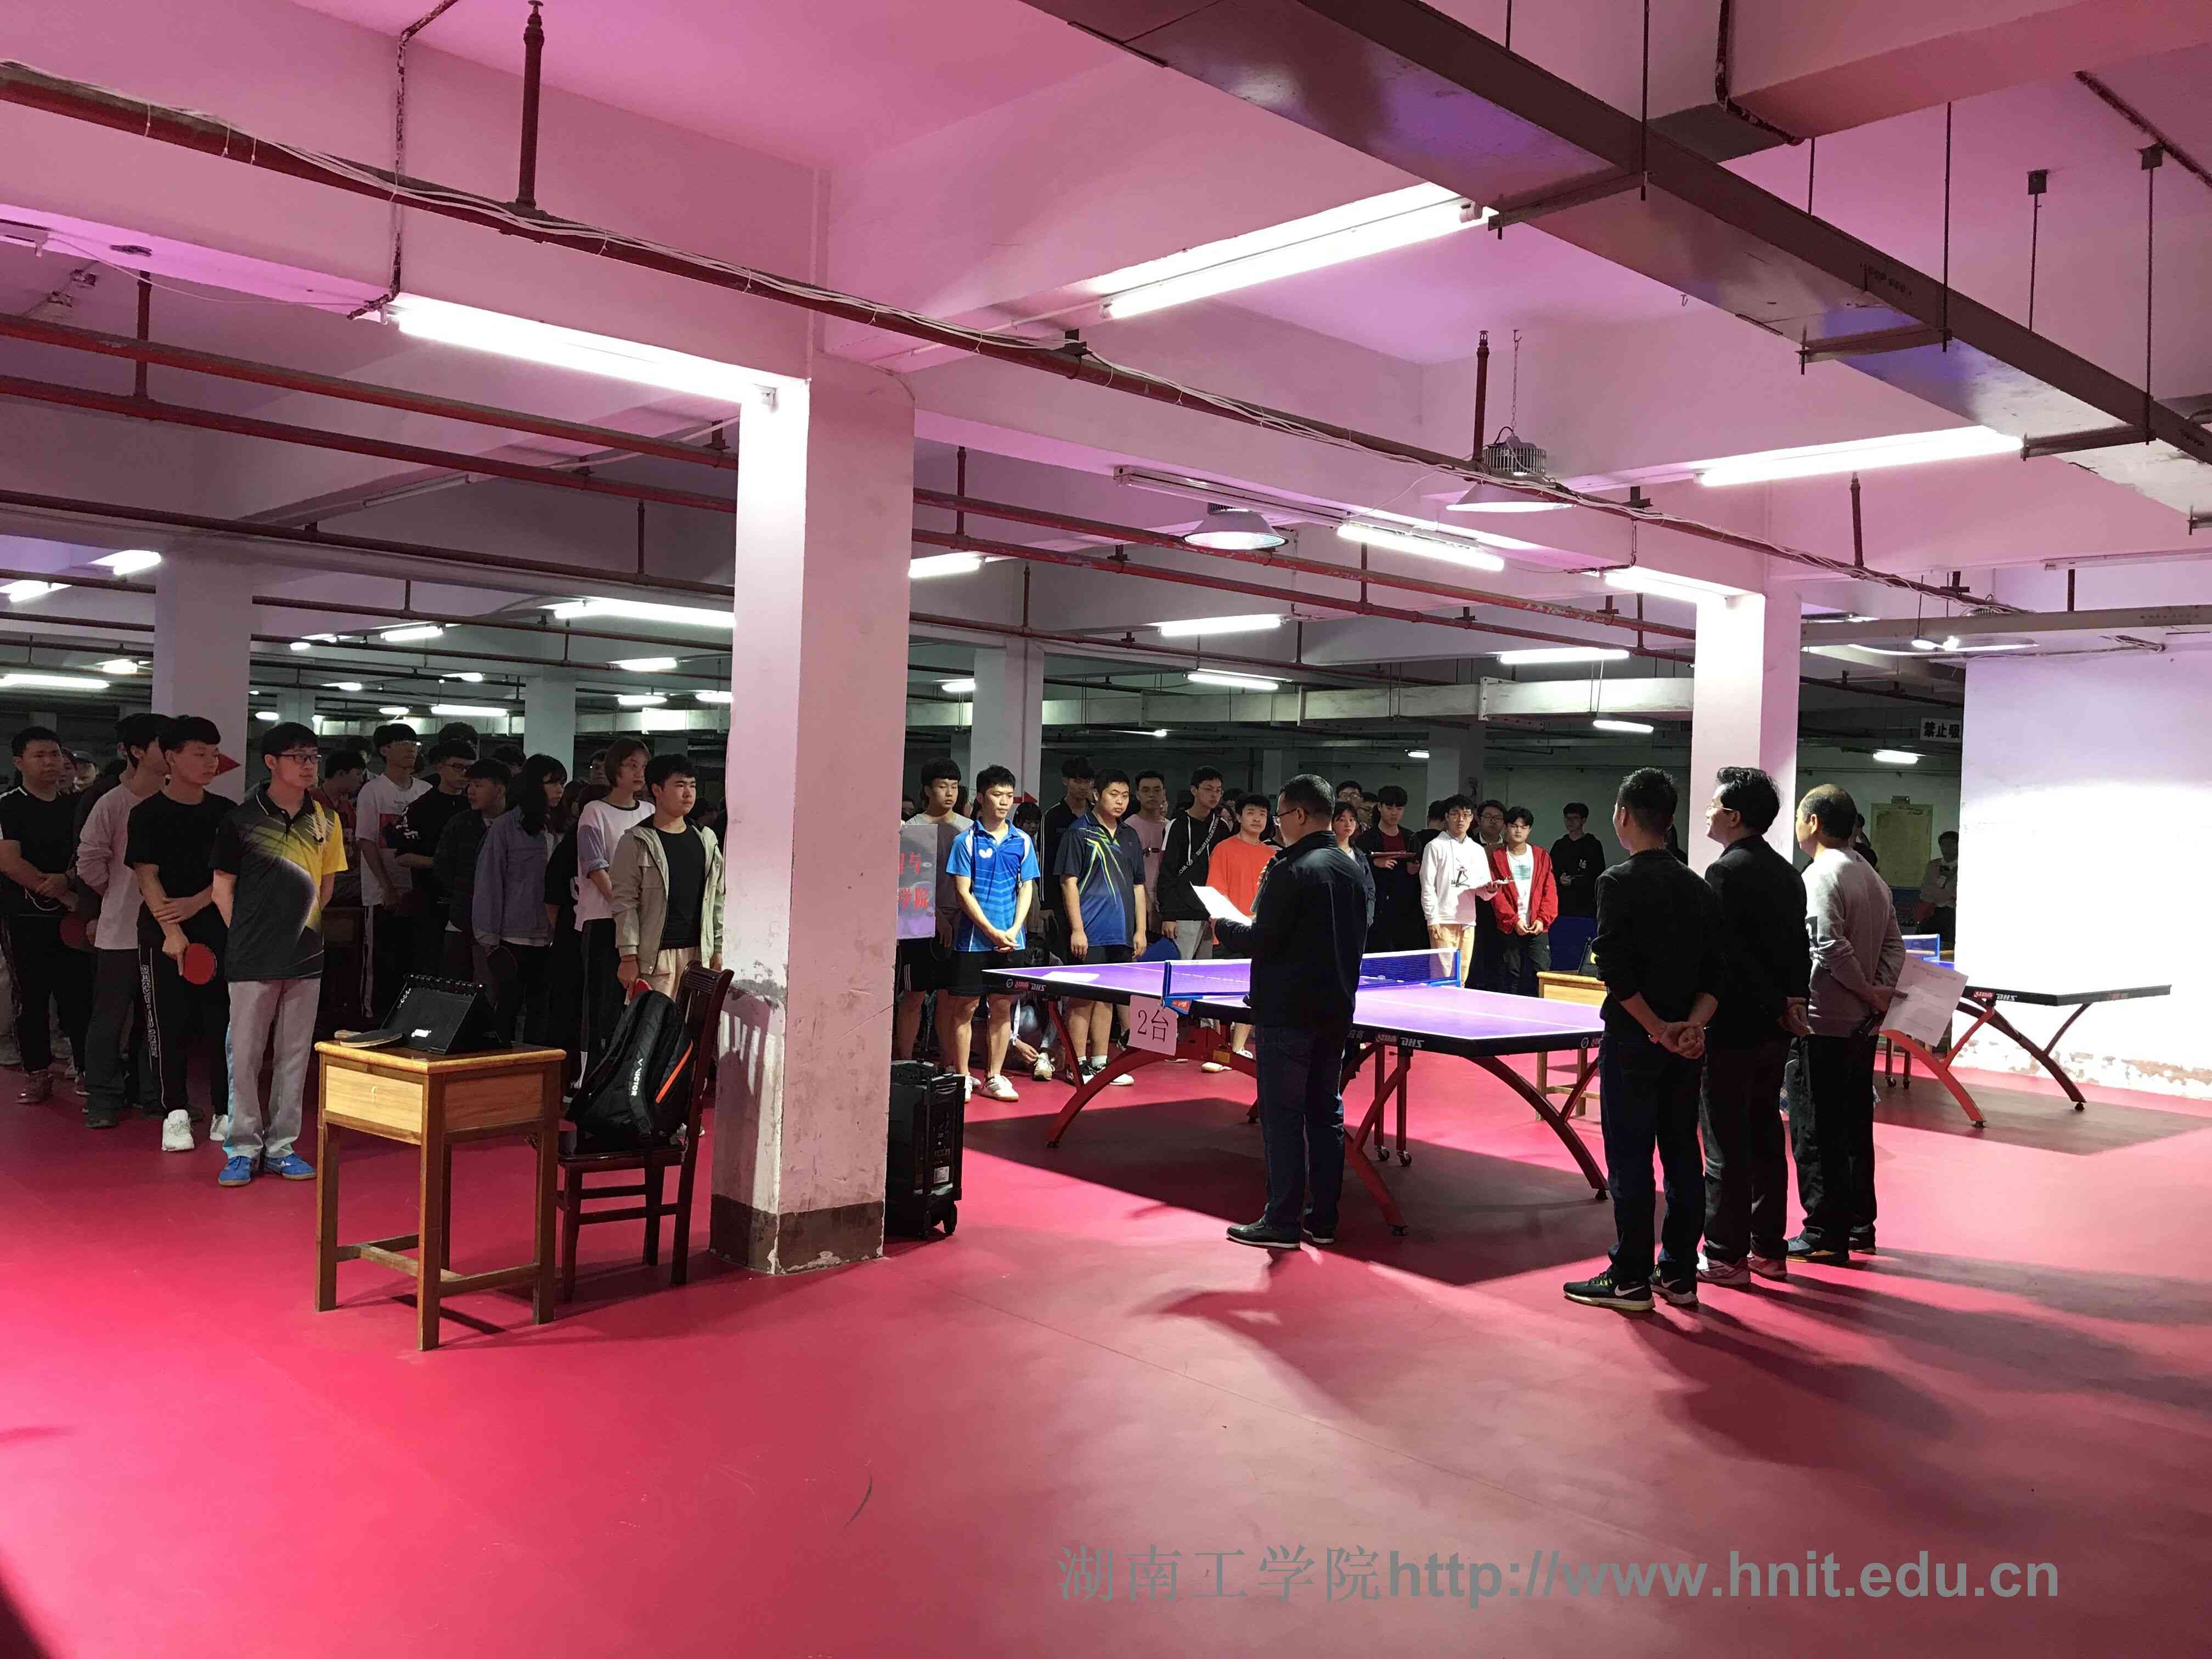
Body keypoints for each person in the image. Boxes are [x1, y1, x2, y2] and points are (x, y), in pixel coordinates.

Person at [1564, 768, 1724, 1315]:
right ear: (1671, 820)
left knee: (1631, 1157)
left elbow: (1615, 971)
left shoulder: (1617, 881)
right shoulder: (1698, 885)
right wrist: (1691, 1028)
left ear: (1624, 816)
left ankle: (1630, 1277)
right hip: (1686, 1046)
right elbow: (1716, 974)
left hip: (1637, 1042)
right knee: (1682, 1153)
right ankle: (1678, 1273)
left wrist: (1657, 1030)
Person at [1221, 774, 1373, 1250]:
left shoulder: (1291, 870)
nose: (1278, 824)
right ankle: (1323, 1219)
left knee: (1283, 1117)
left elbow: (1263, 940)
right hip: (1336, 1010)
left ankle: (1282, 1221)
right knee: (1325, 1114)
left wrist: (1224, 928)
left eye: (1281, 815)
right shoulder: (1351, 868)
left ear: (1301, 815)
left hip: (1288, 1011)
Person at [208, 724, 345, 1187]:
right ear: (271, 762)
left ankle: (283, 1146)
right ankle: (242, 1147)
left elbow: (326, 886)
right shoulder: (241, 819)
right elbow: (222, 888)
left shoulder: (327, 821)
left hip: (306, 954)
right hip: (251, 956)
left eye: (313, 757)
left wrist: (299, 929)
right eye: (298, 757)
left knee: (295, 1054)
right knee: (245, 1054)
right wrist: (249, 935)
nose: (308, 766)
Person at [1695, 767, 1810, 1289]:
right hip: (1775, 1028)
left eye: (1713, 804)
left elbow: (1728, 958)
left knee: (1724, 1140)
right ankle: (1768, 1249)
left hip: (1734, 1025)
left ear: (1733, 816)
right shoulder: (1787, 872)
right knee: (1765, 1132)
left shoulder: (1725, 873)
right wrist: (1791, 1003)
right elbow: (1797, 950)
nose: (1707, 811)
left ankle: (1724, 1255)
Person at [1789, 783, 1905, 1264]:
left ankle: (1823, 1232)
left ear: (1814, 822)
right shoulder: (1872, 876)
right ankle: (1859, 1225)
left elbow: (1827, 945)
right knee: (1855, 1126)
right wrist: (1878, 992)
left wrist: (1866, 990)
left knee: (1816, 1128)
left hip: (1825, 1022)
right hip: (1863, 1025)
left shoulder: (1820, 873)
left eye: (1799, 817)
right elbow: (1895, 945)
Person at [127, 715, 232, 1154]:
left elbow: (230, 875)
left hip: (217, 925)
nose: (210, 763)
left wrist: (197, 903)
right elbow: (147, 877)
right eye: (199, 754)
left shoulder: (226, 812)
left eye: (214, 754)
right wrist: (172, 930)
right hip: (162, 932)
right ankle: (174, 1113)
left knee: (222, 1023)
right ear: (171, 758)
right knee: (166, 1024)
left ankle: (226, 1111)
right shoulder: (146, 814)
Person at [72, 713, 166, 1128]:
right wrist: (116, 893)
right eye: (166, 746)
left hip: (167, 928)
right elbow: (89, 861)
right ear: (137, 751)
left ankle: (153, 1092)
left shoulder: (177, 800)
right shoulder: (112, 802)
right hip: (121, 928)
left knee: (159, 1018)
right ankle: (103, 1095)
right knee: (110, 1017)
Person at [0, 726, 95, 1103]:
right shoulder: (8, 805)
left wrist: (68, 882)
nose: (50, 762)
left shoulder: (76, 806)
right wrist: (54, 888)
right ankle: (37, 1072)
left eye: (55, 754)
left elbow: (88, 855)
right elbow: (9, 861)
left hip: (72, 916)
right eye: (39, 755)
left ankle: (85, 1068)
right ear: (19, 762)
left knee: (79, 994)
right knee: (31, 998)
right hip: (23, 916)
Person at [942, 765, 1041, 1102]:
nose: (1003, 802)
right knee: (966, 1009)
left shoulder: (1023, 841)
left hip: (1012, 941)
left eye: (1008, 796)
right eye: (997, 795)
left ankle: (995, 1077)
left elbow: (1027, 888)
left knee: (1002, 1008)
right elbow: (963, 892)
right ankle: (963, 1076)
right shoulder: (965, 841)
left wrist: (1013, 929)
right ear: (981, 798)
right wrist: (990, 931)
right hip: (973, 941)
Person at [1053, 767, 1147, 1086]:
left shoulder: (1130, 835)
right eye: (1113, 795)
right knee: (1083, 999)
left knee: (1108, 996)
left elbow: (1138, 886)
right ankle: (1076, 1063)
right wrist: (1077, 929)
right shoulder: (1079, 832)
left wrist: (1140, 930)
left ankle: (1100, 1061)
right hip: (1090, 930)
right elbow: (1068, 883)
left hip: (1122, 930)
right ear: (1097, 795)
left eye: (1125, 796)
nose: (1120, 802)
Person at [473, 754, 568, 1043]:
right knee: (509, 1006)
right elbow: (489, 882)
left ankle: (535, 1060)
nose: (559, 790)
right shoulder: (506, 827)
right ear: (534, 785)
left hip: (553, 933)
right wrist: (488, 936)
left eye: (562, 784)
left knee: (543, 1008)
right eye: (552, 783)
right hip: (513, 934)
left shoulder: (561, 827)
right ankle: (503, 1059)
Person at [612, 755, 724, 998]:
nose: (689, 794)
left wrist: (717, 948)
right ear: (657, 790)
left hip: (699, 955)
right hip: (655, 958)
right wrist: (628, 956)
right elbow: (625, 902)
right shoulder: (636, 841)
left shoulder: (706, 839)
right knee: (653, 1021)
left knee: (692, 1022)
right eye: (680, 785)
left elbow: (717, 898)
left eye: (693, 786)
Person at [573, 738, 653, 1074]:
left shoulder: (649, 812)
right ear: (614, 769)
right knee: (601, 1002)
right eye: (631, 765)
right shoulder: (595, 812)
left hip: (642, 922)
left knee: (635, 1003)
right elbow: (595, 868)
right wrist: (624, 908)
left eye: (643, 767)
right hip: (603, 919)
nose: (639, 773)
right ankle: (590, 1076)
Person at [893, 758, 970, 1063]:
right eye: (942, 787)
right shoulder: (913, 828)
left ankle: (948, 1063)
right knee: (914, 995)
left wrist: (962, 915)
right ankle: (905, 1061)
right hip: (919, 922)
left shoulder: (968, 829)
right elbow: (910, 881)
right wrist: (937, 917)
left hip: (961, 920)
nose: (949, 793)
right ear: (927, 790)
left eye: (954, 787)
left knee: (950, 998)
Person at [352, 722, 425, 1020]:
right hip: (382, 894)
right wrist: (386, 887)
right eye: (403, 743)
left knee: (413, 960)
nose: (411, 749)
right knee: (381, 962)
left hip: (417, 893)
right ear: (385, 750)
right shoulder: (373, 791)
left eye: (414, 744)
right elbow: (366, 842)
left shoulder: (425, 791)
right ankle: (373, 1020)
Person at [1206, 793, 1279, 1068]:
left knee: (1250, 992)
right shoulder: (1223, 849)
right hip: (1227, 932)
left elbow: (1275, 897)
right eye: (1251, 812)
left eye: (1262, 814)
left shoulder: (1273, 856)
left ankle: (1237, 1049)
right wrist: (1234, 920)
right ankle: (1220, 1051)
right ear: (1239, 816)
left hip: (1258, 934)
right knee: (1221, 995)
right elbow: (1216, 892)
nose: (1257, 818)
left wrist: (1258, 919)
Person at [393, 738, 474, 971]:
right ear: (440, 767)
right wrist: (442, 863)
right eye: (458, 767)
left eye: (470, 769)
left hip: (470, 902)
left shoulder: (475, 807)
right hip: (430, 902)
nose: (465, 775)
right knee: (431, 965)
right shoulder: (420, 807)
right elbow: (402, 856)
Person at [432, 757, 509, 976]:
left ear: (500, 789)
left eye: (478, 785)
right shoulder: (460, 823)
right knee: (456, 979)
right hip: (462, 917)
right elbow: (443, 866)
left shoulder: (516, 825)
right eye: (469, 785)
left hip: (506, 923)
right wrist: (465, 892)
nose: (471, 792)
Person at [1418, 795, 1499, 985]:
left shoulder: (1477, 850)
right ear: (1447, 816)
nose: (1460, 820)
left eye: (1466, 815)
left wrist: (1490, 889)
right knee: (1442, 974)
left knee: (1462, 975)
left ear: (1472, 818)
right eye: (1455, 814)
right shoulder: (1435, 846)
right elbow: (1428, 885)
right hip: (1443, 918)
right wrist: (1432, 918)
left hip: (1468, 919)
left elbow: (1482, 891)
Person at [1156, 766, 1234, 960]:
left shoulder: (1222, 827)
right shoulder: (1177, 826)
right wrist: (1169, 915)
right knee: (1180, 969)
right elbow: (1167, 871)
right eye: (1208, 789)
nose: (1214, 795)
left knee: (1203, 972)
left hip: (1212, 915)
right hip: (1183, 914)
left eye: (1218, 790)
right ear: (1194, 790)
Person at [1485, 805, 1558, 995]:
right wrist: (1513, 920)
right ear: (1506, 827)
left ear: (1529, 830)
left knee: (1541, 971)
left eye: (1524, 827)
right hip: (1510, 926)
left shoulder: (1541, 856)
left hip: (1537, 925)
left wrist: (1543, 919)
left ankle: (1541, 1010)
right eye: (1514, 826)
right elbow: (1497, 895)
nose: (1519, 830)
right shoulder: (1497, 856)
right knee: (1511, 974)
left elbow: (1550, 890)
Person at [1354, 785, 1426, 953]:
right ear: (1380, 807)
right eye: (1389, 808)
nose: (1394, 813)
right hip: (1379, 906)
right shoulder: (1367, 839)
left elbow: (1420, 868)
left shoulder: (1410, 837)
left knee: (1406, 952)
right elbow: (1357, 869)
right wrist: (1374, 864)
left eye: (1399, 809)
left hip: (1406, 907)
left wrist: (1416, 870)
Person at [1036, 754, 1096, 948]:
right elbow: (1045, 861)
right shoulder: (1052, 816)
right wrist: (1046, 904)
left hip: (1093, 899)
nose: (1082, 786)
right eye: (1077, 781)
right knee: (1063, 952)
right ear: (1065, 781)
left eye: (1086, 781)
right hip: (1059, 900)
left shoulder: (1097, 814)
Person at [1550, 800, 1605, 921]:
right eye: (1567, 818)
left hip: (1585, 903)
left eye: (1575, 818)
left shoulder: (1593, 845)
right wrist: (1560, 879)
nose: (1570, 822)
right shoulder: (1560, 846)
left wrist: (1575, 882)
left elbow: (1598, 874)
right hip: (1562, 903)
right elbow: (1550, 872)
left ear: (1583, 820)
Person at [1130, 770, 1170, 896]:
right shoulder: (1128, 828)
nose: (1152, 795)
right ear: (1138, 795)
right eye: (1146, 791)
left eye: (1157, 790)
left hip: (1167, 896)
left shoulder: (1171, 827)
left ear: (1164, 794)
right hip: (1136, 895)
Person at [1917, 831, 1959, 947]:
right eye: (1943, 845)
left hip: (1953, 915)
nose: (1947, 848)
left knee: (1948, 950)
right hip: (1930, 912)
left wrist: (1941, 890)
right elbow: (1925, 891)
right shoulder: (1933, 865)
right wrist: (1947, 893)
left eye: (1951, 844)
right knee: (1926, 948)